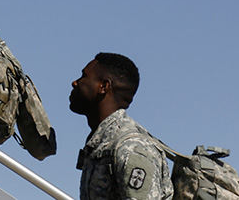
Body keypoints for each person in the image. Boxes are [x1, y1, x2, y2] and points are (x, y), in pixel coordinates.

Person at [70, 53, 173, 200]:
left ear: (104, 86)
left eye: (83, 76)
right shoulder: (101, 144)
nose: (75, 83)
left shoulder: (131, 147)